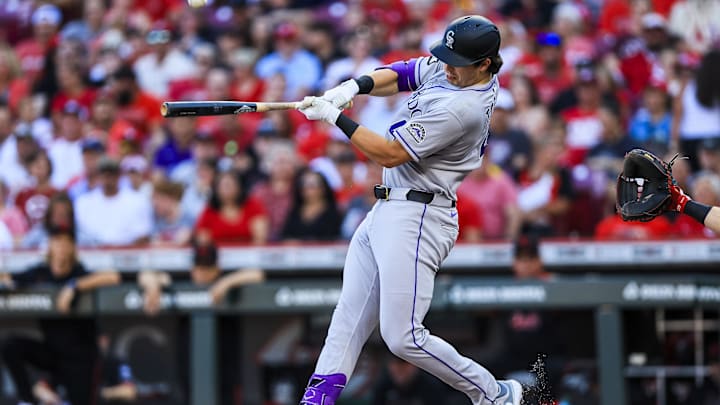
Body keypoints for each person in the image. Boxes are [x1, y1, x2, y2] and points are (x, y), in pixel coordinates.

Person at [295, 15, 524, 405]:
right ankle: (316, 401)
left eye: (457, 62)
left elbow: (389, 151)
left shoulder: (464, 107)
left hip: (420, 216)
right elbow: (403, 73)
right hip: (388, 208)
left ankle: (495, 394)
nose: (446, 66)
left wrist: (336, 118)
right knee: (347, 318)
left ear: (485, 63)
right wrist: (353, 86)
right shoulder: (458, 67)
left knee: (403, 337)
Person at [0, 225, 120, 405]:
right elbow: (10, 278)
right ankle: (27, 400)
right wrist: (6, 281)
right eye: (56, 242)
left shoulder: (78, 271)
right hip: (52, 352)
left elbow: (113, 277)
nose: (61, 248)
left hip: (81, 357)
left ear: (72, 247)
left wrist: (74, 286)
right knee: (10, 345)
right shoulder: (40, 272)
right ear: (49, 245)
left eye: (65, 242)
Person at [137, 240, 264, 405]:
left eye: (207, 268)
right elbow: (145, 275)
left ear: (217, 268)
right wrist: (153, 287)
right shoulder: (183, 280)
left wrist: (226, 283)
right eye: (198, 267)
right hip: (190, 366)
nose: (201, 273)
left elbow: (257, 274)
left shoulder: (227, 281)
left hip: (224, 367)